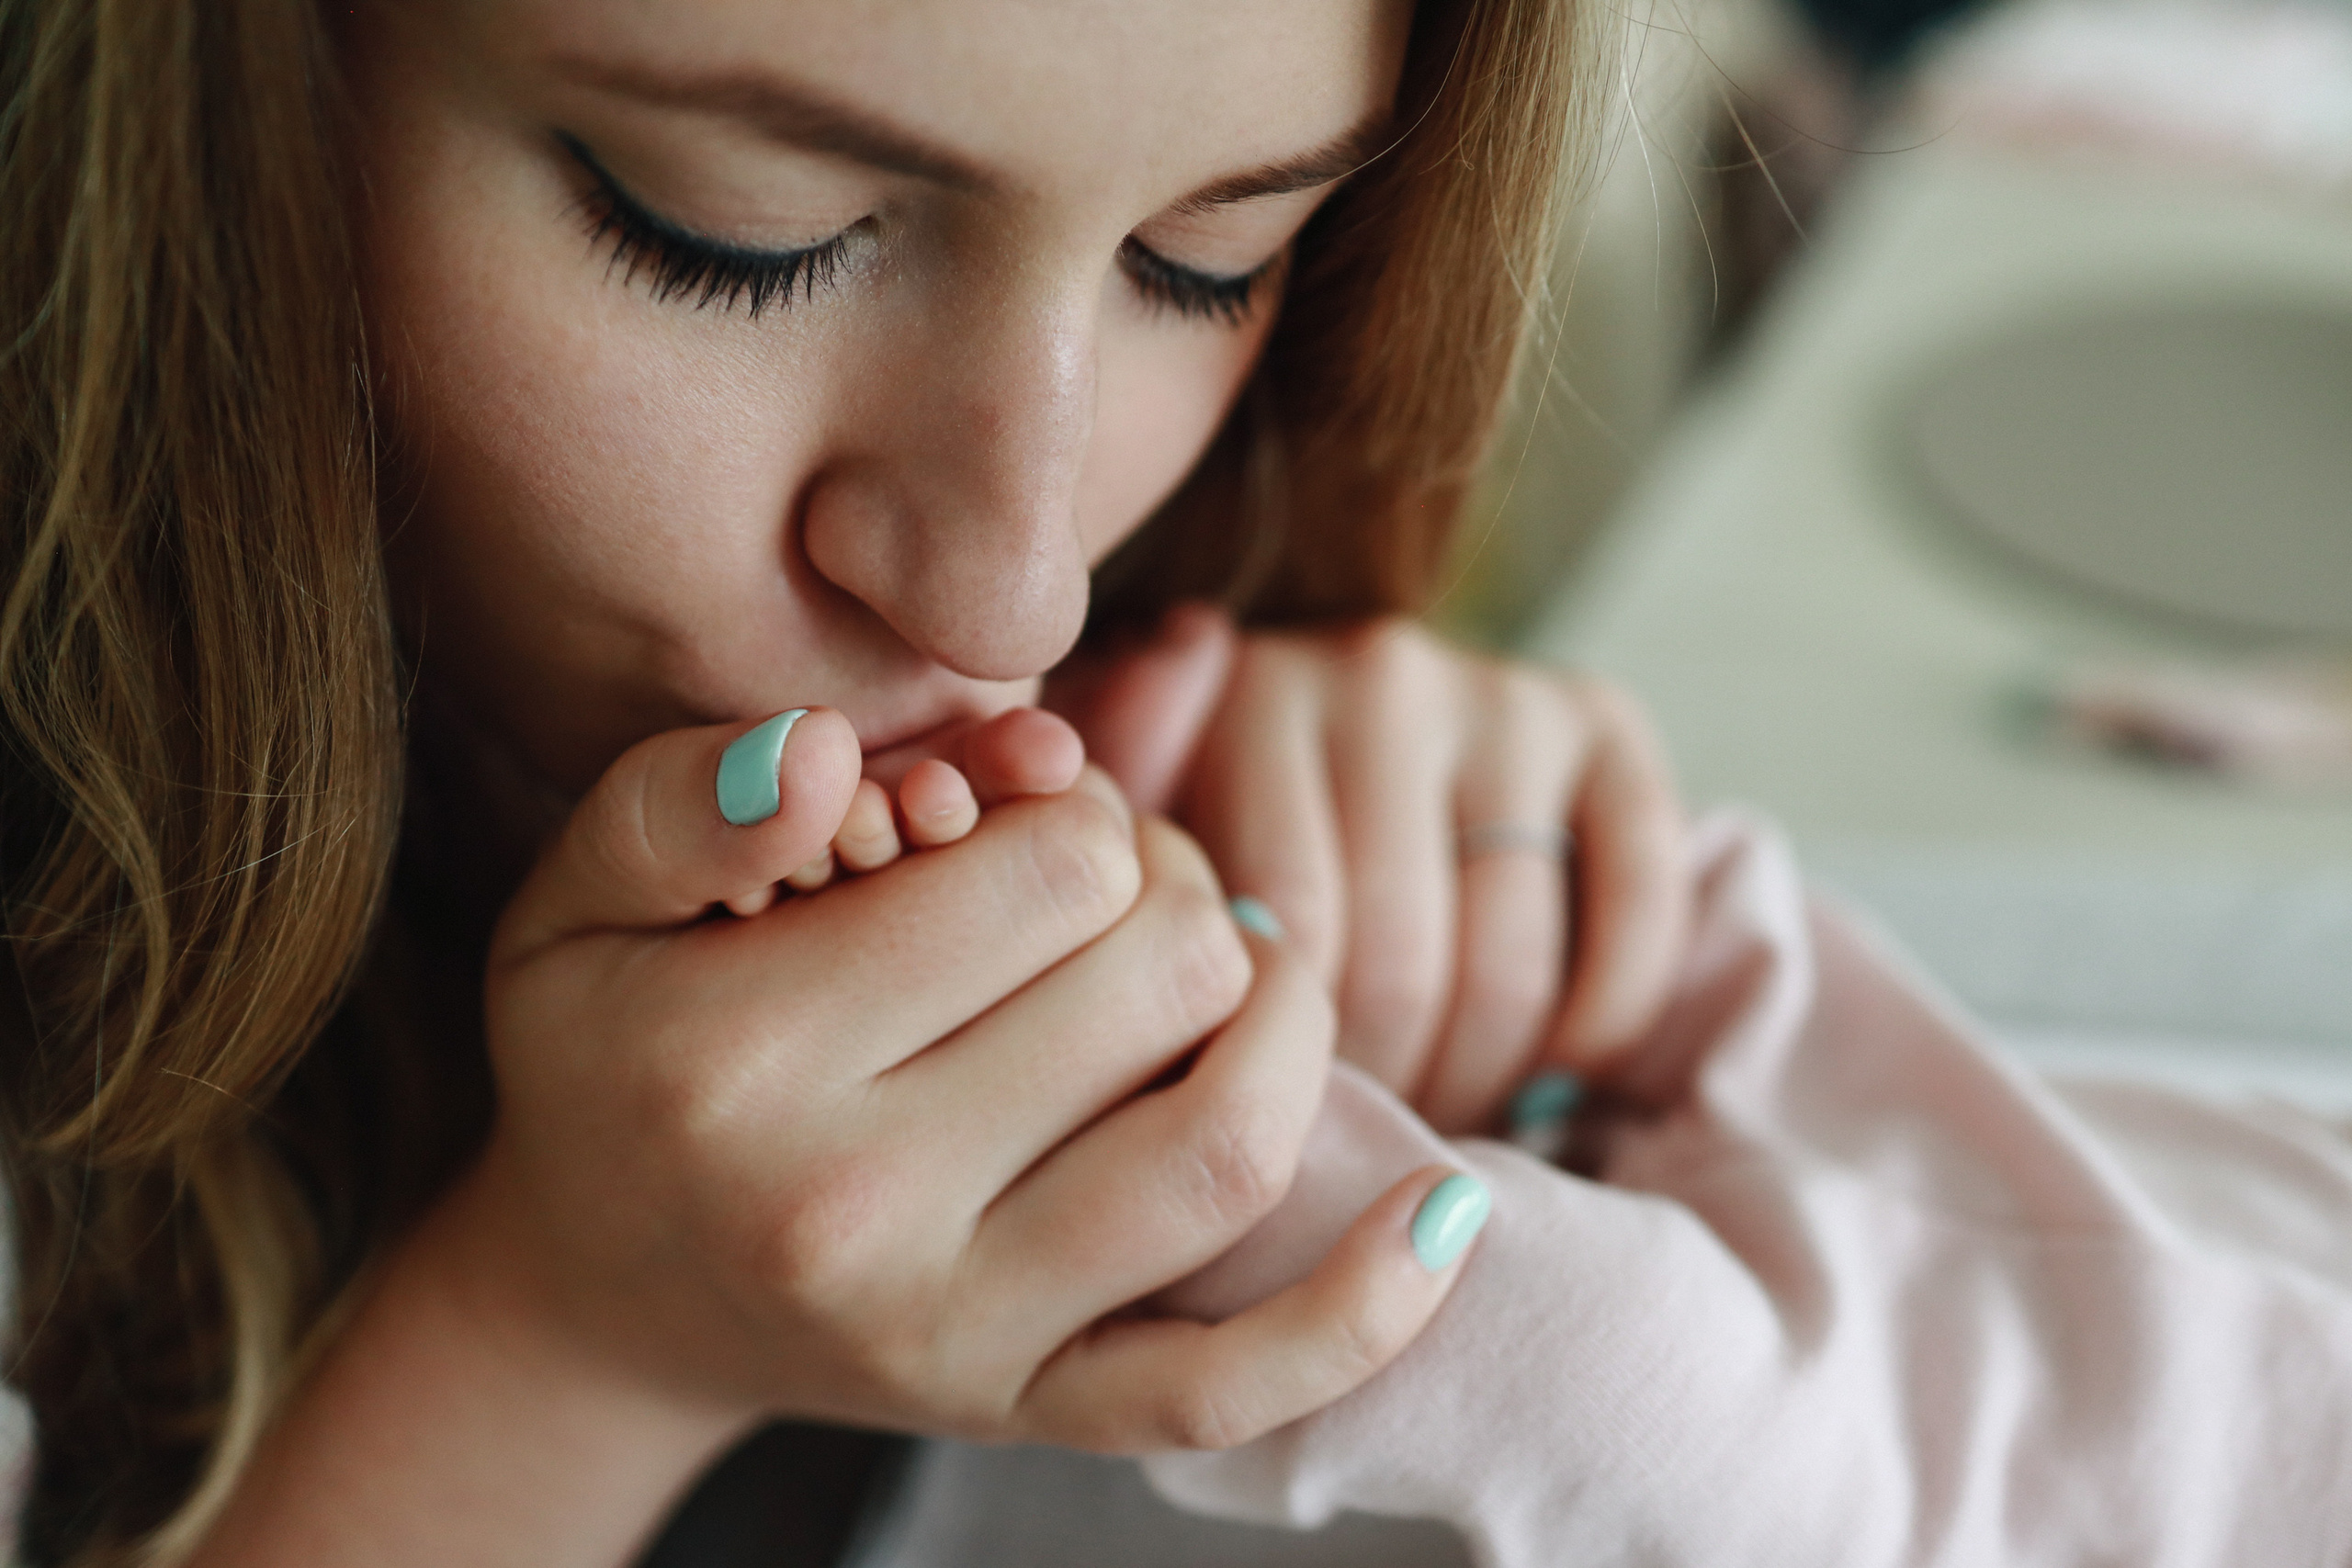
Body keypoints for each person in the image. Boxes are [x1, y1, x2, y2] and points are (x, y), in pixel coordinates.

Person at [1, 0, 1690, 1562]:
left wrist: (1417, 820)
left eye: (1204, 261)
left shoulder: (1166, 655)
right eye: (735, 235)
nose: (1019, 595)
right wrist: (565, 1348)